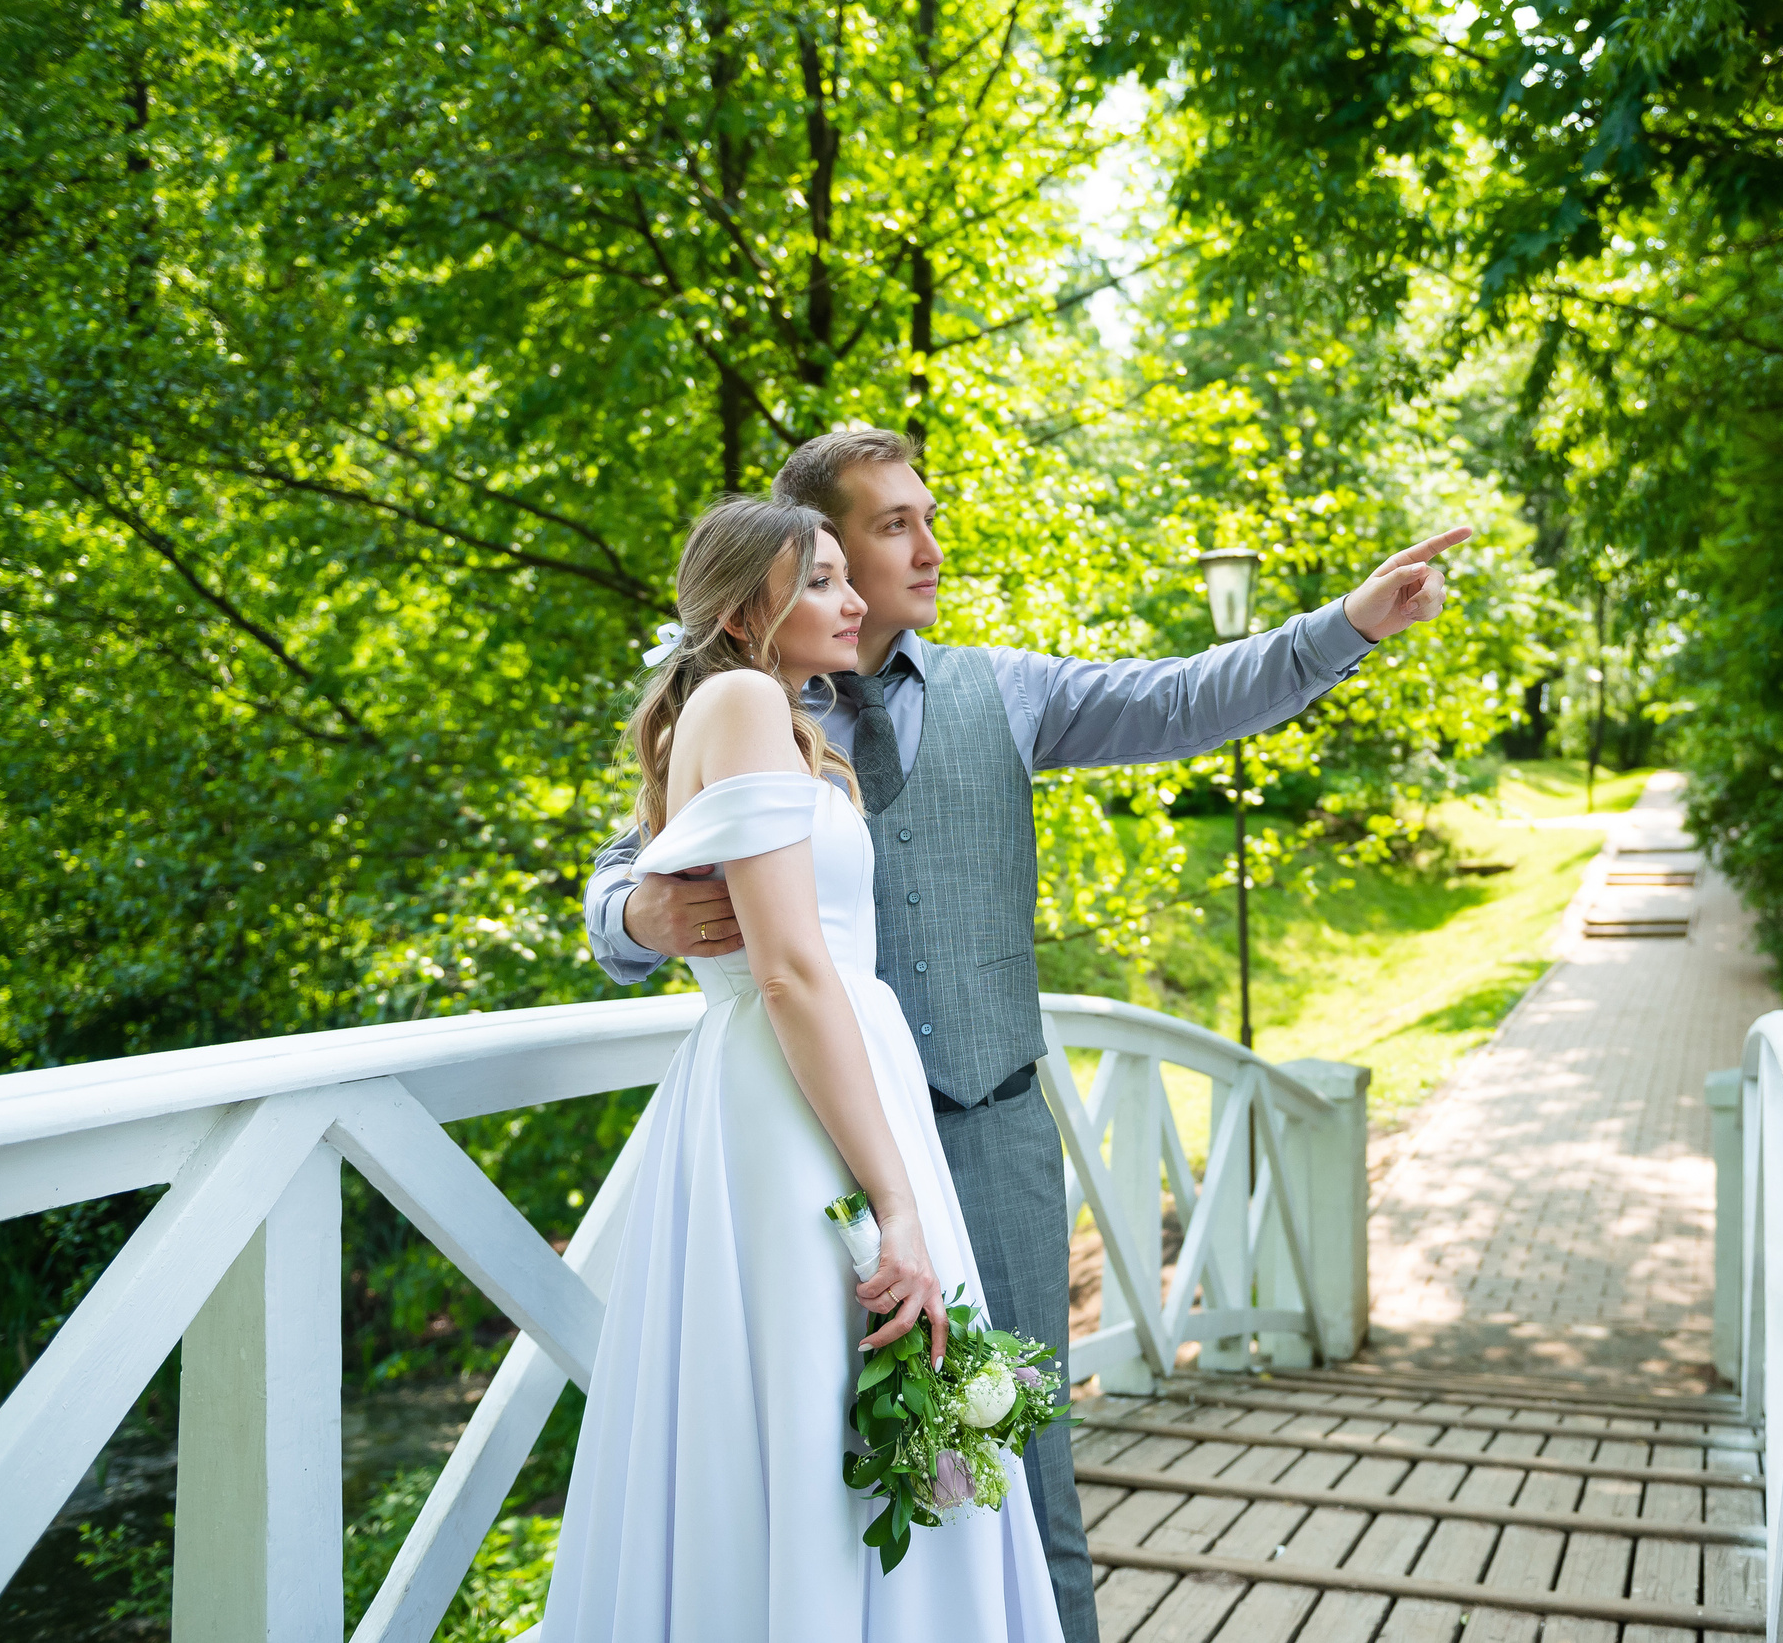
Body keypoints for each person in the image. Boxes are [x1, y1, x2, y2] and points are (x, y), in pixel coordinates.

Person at [587, 428, 1470, 1642]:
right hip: (809, 1150)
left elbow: (1182, 697)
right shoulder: (752, 702)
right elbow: (627, 871)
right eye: (891, 526)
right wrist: (638, 913)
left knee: (1016, 1472)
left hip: (990, 1137)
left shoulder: (1004, 689)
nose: (927, 547)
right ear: (814, 548)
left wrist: (1348, 625)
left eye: (925, 517)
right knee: (812, 1461)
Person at [542, 496, 1064, 1641]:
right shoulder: (738, 699)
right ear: (745, 611)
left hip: (817, 1078)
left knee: (846, 1401)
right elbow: (788, 968)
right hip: (791, 1103)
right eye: (821, 580)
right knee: (822, 1400)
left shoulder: (774, 714)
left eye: (846, 575)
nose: (856, 599)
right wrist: (897, 1201)